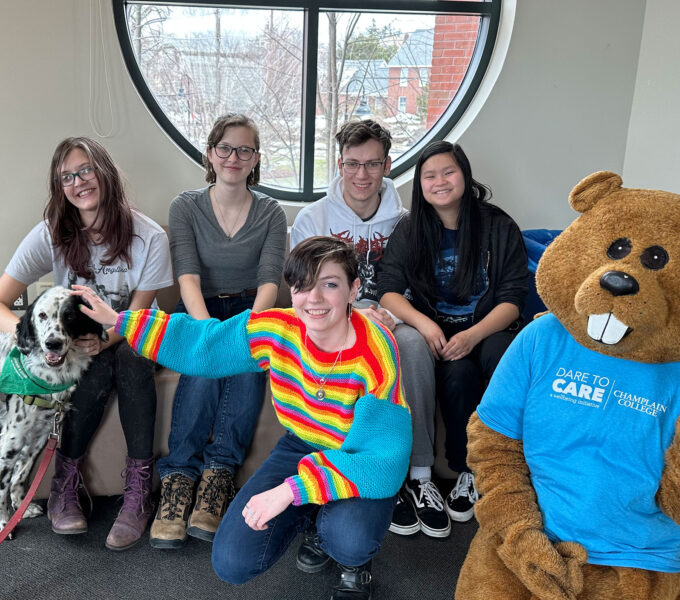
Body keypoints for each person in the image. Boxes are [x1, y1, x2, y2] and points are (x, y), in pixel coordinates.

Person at [73, 236, 411, 600]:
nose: (313, 299)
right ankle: (316, 514)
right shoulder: (277, 329)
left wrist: (290, 490)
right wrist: (121, 320)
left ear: (353, 289)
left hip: (355, 454)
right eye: (302, 286)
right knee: (232, 561)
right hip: (301, 445)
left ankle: (350, 558)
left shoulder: (376, 349)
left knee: (350, 540)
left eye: (329, 284)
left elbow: (384, 461)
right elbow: (206, 343)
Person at [0, 137, 173, 551]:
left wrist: (102, 343)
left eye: (85, 170)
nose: (78, 181)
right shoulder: (51, 233)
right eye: (66, 176)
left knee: (132, 355)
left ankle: (138, 492)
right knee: (92, 364)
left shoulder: (150, 237)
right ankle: (65, 480)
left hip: (125, 336)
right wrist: (30, 337)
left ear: (104, 172)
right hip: (79, 348)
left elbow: (136, 317)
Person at [290, 120, 445, 538]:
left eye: (373, 164)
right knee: (355, 351)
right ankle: (372, 469)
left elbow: (418, 282)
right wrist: (356, 315)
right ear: (340, 164)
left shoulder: (408, 220)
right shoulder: (313, 218)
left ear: (387, 165)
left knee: (409, 346)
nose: (362, 175)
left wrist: (395, 314)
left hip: (394, 317)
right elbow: (305, 291)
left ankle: (419, 473)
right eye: (353, 164)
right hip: (335, 322)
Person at [152, 113, 287, 549]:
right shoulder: (185, 206)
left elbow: (271, 281)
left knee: (247, 366)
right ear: (210, 154)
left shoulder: (271, 212)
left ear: (256, 160)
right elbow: (187, 276)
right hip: (200, 305)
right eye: (225, 148)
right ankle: (178, 477)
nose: (234, 157)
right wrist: (209, 332)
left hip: (254, 307)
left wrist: (246, 331)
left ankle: (219, 476)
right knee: (202, 364)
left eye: (244, 150)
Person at [377, 140, 529, 523]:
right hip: (440, 334)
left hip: (490, 329)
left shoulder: (497, 225)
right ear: (420, 185)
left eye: (448, 172)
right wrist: (425, 324)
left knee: (502, 359)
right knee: (457, 376)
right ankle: (465, 470)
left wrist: (473, 335)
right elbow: (389, 290)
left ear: (464, 174)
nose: (440, 181)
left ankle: (501, 469)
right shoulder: (410, 230)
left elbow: (513, 297)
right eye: (430, 176)